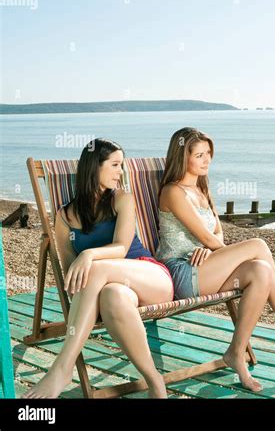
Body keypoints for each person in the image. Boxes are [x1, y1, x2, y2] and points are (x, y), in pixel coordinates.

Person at [156, 127, 275, 393]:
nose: (206, 160)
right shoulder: (173, 192)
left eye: (208, 153)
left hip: (207, 266)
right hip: (182, 272)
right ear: (182, 157)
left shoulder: (201, 189)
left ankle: (235, 352)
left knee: (261, 271)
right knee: (258, 244)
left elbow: (216, 234)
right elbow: (207, 237)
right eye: (198, 155)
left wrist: (213, 252)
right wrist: (213, 249)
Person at [23, 138, 174, 399]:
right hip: (117, 290)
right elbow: (73, 276)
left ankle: (63, 367)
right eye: (115, 165)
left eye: (122, 165)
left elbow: (121, 248)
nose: (121, 172)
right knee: (111, 296)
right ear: (95, 167)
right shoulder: (64, 216)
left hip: (148, 275)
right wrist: (86, 280)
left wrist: (89, 254)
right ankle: (156, 382)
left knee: (95, 270)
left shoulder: (122, 199)